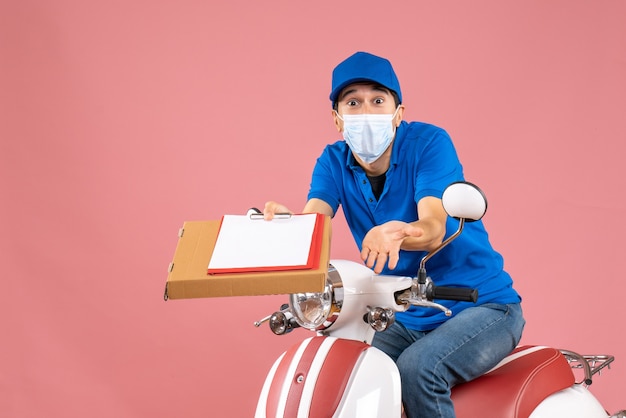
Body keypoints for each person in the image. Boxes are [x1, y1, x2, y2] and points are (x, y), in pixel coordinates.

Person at [263, 51, 525, 418]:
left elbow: (434, 227)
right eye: (353, 102)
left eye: (378, 100)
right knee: (350, 369)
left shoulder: (429, 144)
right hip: (408, 313)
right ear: (337, 119)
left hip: (483, 306)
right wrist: (288, 225)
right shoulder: (332, 161)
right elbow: (315, 220)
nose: (367, 111)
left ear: (398, 112)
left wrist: (397, 234)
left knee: (420, 370)